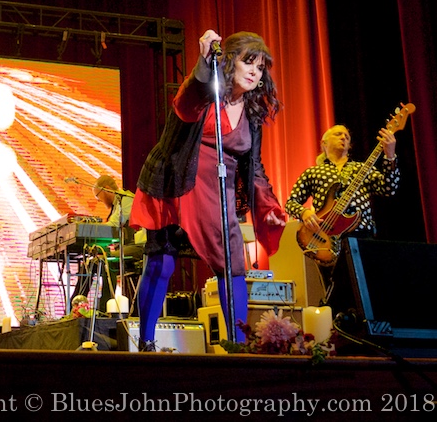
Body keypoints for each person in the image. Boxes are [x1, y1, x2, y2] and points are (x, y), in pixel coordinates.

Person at [129, 29, 288, 350]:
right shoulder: (205, 94)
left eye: (261, 66)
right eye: (249, 61)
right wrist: (203, 63)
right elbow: (185, 104)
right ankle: (145, 342)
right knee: (162, 263)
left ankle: (239, 346)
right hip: (174, 186)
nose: (256, 70)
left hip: (218, 197)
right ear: (229, 62)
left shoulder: (251, 116)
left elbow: (253, 166)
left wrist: (269, 208)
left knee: (234, 265)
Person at [284, 123, 399, 296]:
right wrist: (305, 212)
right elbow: (291, 202)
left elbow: (389, 188)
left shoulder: (361, 168)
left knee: (369, 291)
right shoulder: (313, 173)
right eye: (338, 134)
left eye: (347, 136)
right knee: (336, 294)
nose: (344, 137)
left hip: (361, 236)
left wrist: (390, 156)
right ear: (324, 143)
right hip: (326, 239)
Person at [70, 175, 145, 311]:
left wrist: (91, 227)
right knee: (92, 263)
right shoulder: (117, 204)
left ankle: (105, 307)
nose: (99, 201)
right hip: (127, 246)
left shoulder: (127, 200)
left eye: (98, 197)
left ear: (107, 189)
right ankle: (74, 306)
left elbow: (114, 225)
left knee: (106, 260)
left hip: (139, 247)